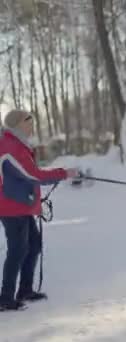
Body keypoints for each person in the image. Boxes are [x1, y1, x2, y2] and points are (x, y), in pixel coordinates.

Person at [0, 110, 78, 311]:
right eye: (29, 122)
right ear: (18, 124)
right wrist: (64, 173)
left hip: (22, 205)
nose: (32, 126)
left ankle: (25, 290)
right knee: (17, 250)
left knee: (33, 246)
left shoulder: (19, 145)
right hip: (11, 207)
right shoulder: (10, 148)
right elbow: (32, 175)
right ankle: (5, 298)